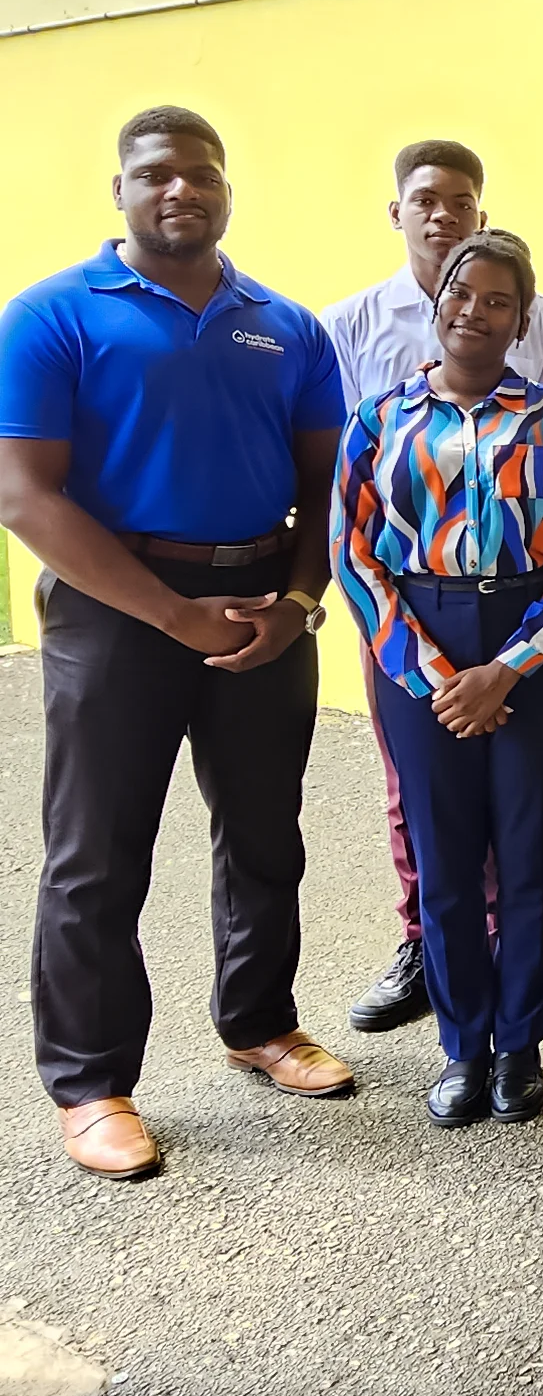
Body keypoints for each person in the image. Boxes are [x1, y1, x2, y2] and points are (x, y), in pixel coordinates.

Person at [0, 106, 353, 1179]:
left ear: (225, 189)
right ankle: (94, 1080)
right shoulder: (53, 316)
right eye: (156, 174)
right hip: (118, 612)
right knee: (97, 853)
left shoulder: (283, 324)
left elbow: (326, 483)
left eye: (201, 174)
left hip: (261, 605)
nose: (180, 190)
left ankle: (260, 1021)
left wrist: (294, 601)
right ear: (121, 188)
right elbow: (24, 494)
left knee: (264, 832)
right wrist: (170, 612)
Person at [322, 140, 543, 1034]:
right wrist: (437, 673)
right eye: (461, 297)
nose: (475, 311)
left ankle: (520, 1042)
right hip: (418, 638)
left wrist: (506, 669)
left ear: (524, 323)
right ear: (435, 307)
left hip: (530, 638)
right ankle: (462, 1043)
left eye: (499, 302)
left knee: (524, 850)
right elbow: (353, 550)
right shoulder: (379, 419)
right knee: (442, 857)